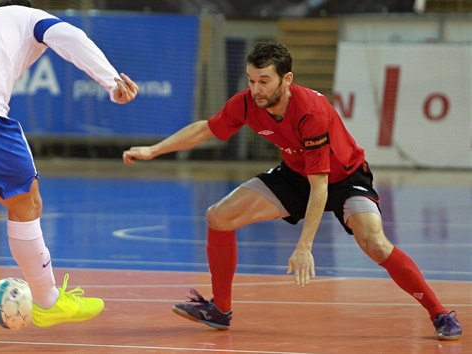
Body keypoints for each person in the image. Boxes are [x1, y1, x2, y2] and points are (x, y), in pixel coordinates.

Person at [122, 41, 462, 341]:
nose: (256, 89)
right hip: (295, 173)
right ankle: (220, 310)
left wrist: (304, 246)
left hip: (344, 177)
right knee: (218, 217)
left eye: (264, 81)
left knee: (374, 243)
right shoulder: (246, 103)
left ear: (287, 79)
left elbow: (321, 185)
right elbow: (206, 129)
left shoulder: (310, 112)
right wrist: (154, 150)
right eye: (252, 80)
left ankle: (439, 312)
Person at [0, 0, 139, 353]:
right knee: (26, 203)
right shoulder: (26, 16)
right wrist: (111, 81)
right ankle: (48, 301)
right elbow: (69, 35)